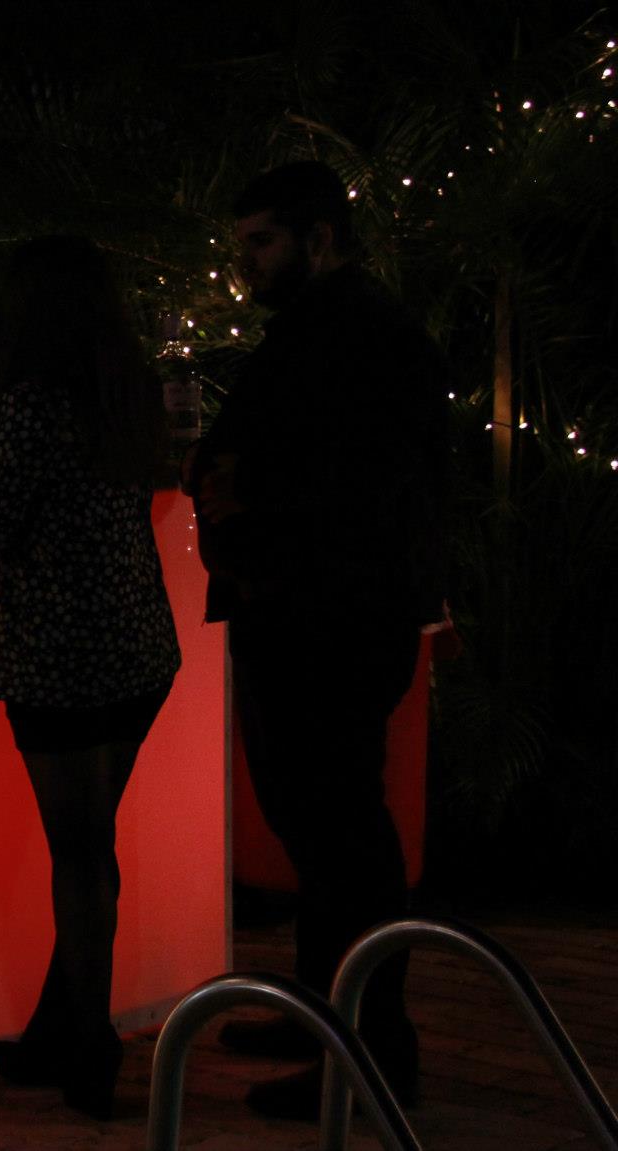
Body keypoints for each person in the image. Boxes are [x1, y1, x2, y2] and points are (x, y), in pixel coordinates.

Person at [186, 159, 452, 1120]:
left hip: (328, 619)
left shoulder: (361, 336)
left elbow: (365, 482)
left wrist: (245, 493)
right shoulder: (334, 330)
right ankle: (324, 1017)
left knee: (342, 837)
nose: (247, 263)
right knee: (322, 830)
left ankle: (373, 1049)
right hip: (306, 612)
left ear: (320, 235)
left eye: (261, 242)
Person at [0, 235, 181, 1121]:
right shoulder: (127, 392)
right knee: (90, 846)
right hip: (139, 643)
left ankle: (90, 1045)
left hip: (60, 655)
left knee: (80, 855)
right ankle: (54, 1032)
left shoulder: (32, 401)